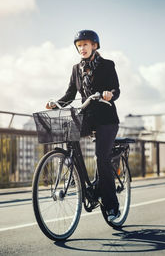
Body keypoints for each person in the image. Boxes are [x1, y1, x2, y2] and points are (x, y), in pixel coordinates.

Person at [46, 29, 121, 221]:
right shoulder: (76, 69)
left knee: (101, 158)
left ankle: (112, 206)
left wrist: (109, 94)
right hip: (87, 116)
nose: (82, 48)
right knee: (70, 135)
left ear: (94, 46)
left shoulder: (107, 65)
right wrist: (56, 103)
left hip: (107, 119)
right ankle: (82, 182)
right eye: (79, 46)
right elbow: (70, 95)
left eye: (85, 44)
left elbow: (116, 89)